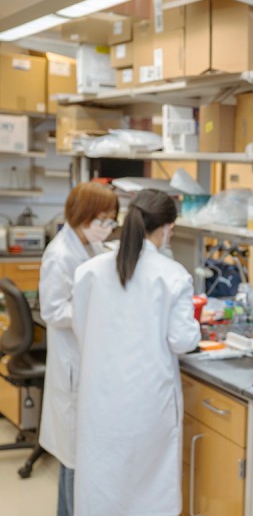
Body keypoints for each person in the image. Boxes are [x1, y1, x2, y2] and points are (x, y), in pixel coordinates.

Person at [70, 189, 200, 516]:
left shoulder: (90, 271)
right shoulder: (172, 275)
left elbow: (81, 327)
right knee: (148, 494)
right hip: (148, 406)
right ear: (168, 228)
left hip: (99, 402)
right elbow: (182, 341)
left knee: (101, 485)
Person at [38, 181, 118, 516]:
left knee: (75, 457)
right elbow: (53, 311)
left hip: (85, 361)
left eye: (111, 220)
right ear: (81, 215)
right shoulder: (61, 254)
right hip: (71, 365)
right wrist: (94, 311)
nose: (106, 227)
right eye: (101, 219)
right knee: (74, 458)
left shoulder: (90, 248)